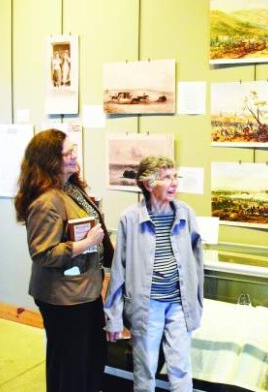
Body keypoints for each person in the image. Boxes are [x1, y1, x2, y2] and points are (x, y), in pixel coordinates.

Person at [14, 128, 114, 392]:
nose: (74, 156)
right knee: (70, 366)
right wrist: (85, 244)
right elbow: (43, 253)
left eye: (73, 149)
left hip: (83, 292)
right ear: (50, 160)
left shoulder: (69, 188)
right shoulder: (46, 202)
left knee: (90, 359)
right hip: (64, 299)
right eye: (67, 152)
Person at [104, 155, 204, 391]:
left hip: (179, 304)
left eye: (175, 176)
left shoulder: (186, 213)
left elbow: (197, 261)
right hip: (147, 305)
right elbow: (119, 269)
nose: (174, 183)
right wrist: (114, 317)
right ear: (149, 185)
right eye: (166, 177)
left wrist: (197, 302)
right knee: (146, 368)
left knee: (180, 367)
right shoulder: (130, 217)